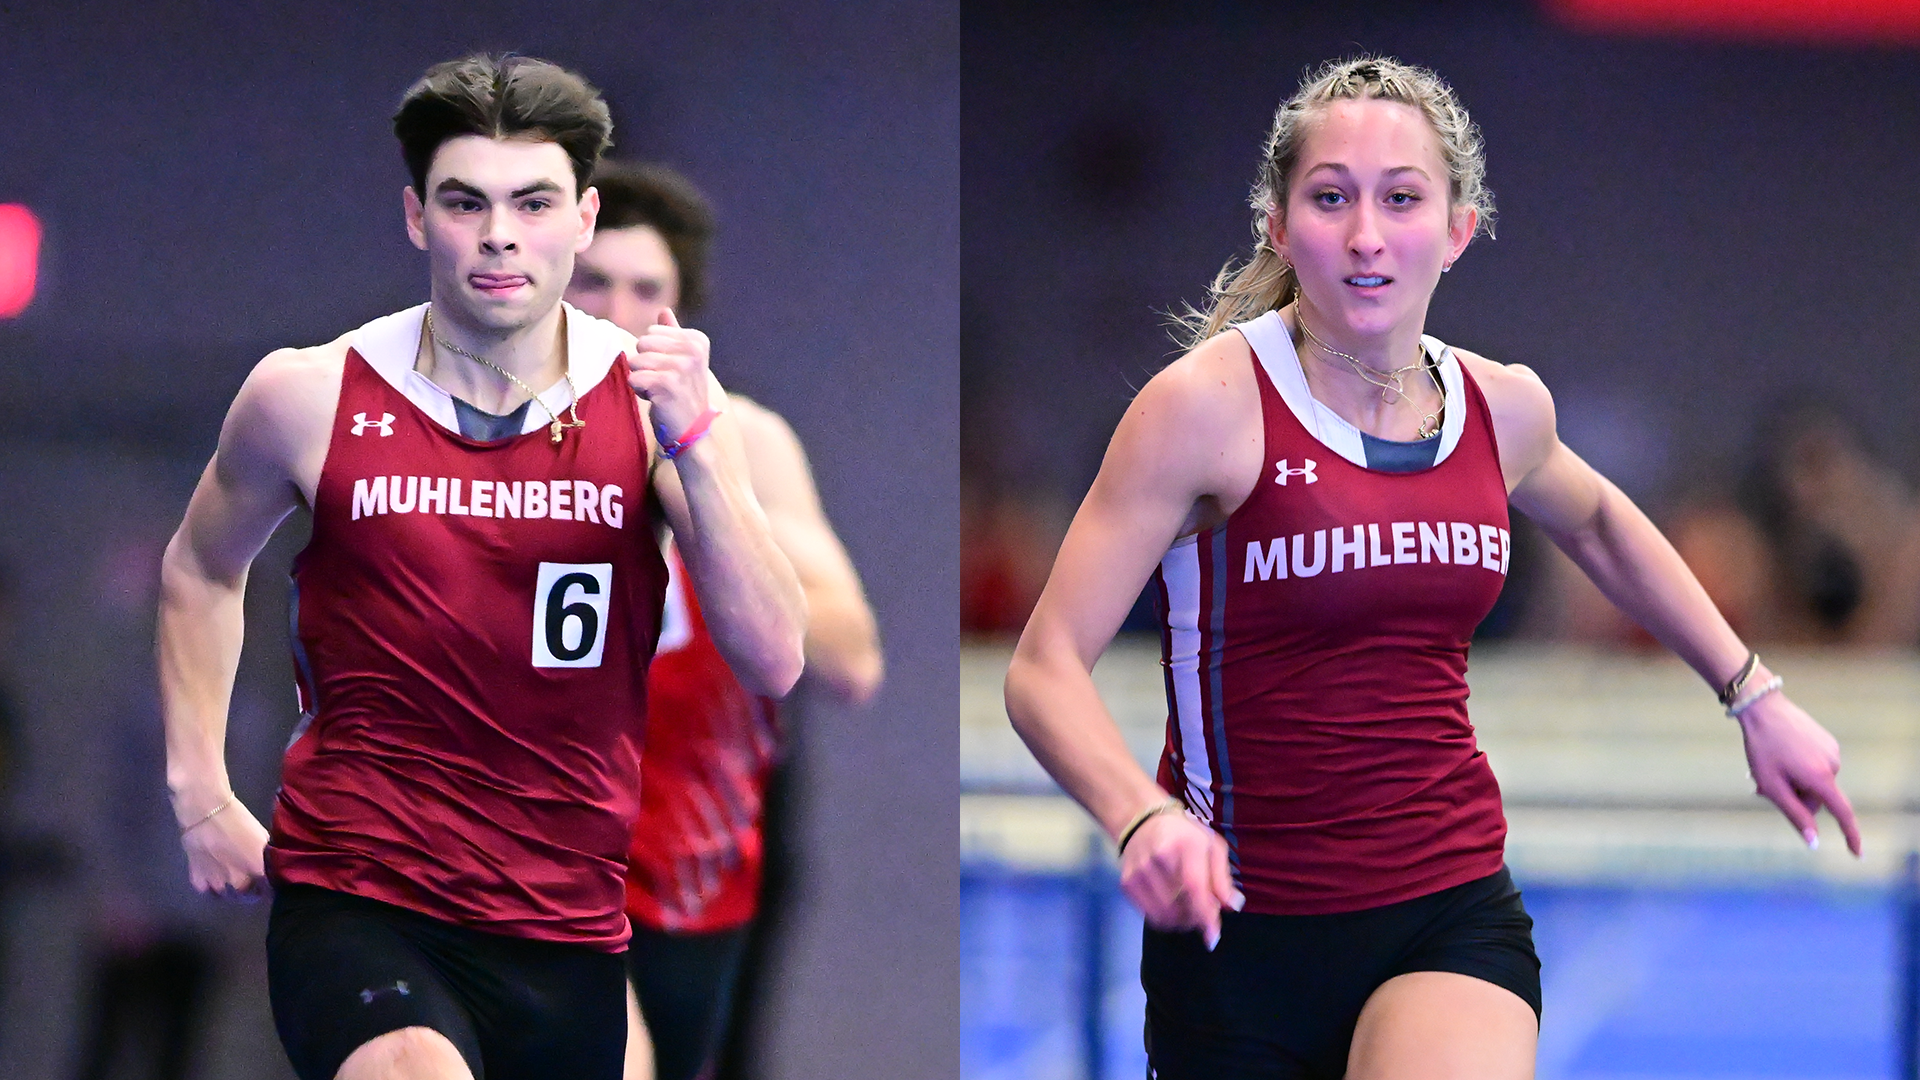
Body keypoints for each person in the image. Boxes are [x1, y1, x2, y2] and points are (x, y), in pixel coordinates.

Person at [1002, 57, 1861, 1080]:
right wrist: (1137, 816)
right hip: (1239, 934)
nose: (1367, 235)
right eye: (1332, 198)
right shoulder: (1206, 409)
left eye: (1401, 199)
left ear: (1458, 228)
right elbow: (1044, 666)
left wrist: (1753, 694)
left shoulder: (1502, 409)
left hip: (1446, 912)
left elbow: (1598, 523)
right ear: (1278, 224)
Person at [155, 54, 805, 1080]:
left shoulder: (649, 412)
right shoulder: (306, 395)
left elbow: (775, 660)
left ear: (583, 219)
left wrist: (704, 451)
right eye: (467, 203)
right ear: (418, 217)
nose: (500, 233)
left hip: (564, 919)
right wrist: (199, 789)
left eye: (533, 202)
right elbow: (198, 568)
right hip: (361, 890)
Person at [565, 161, 884, 1080]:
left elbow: (851, 658)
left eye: (646, 290)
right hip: (548, 820)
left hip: (706, 837)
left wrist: (705, 504)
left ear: (679, 314)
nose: (619, 312)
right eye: (594, 284)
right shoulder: (487, 438)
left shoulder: (743, 440)